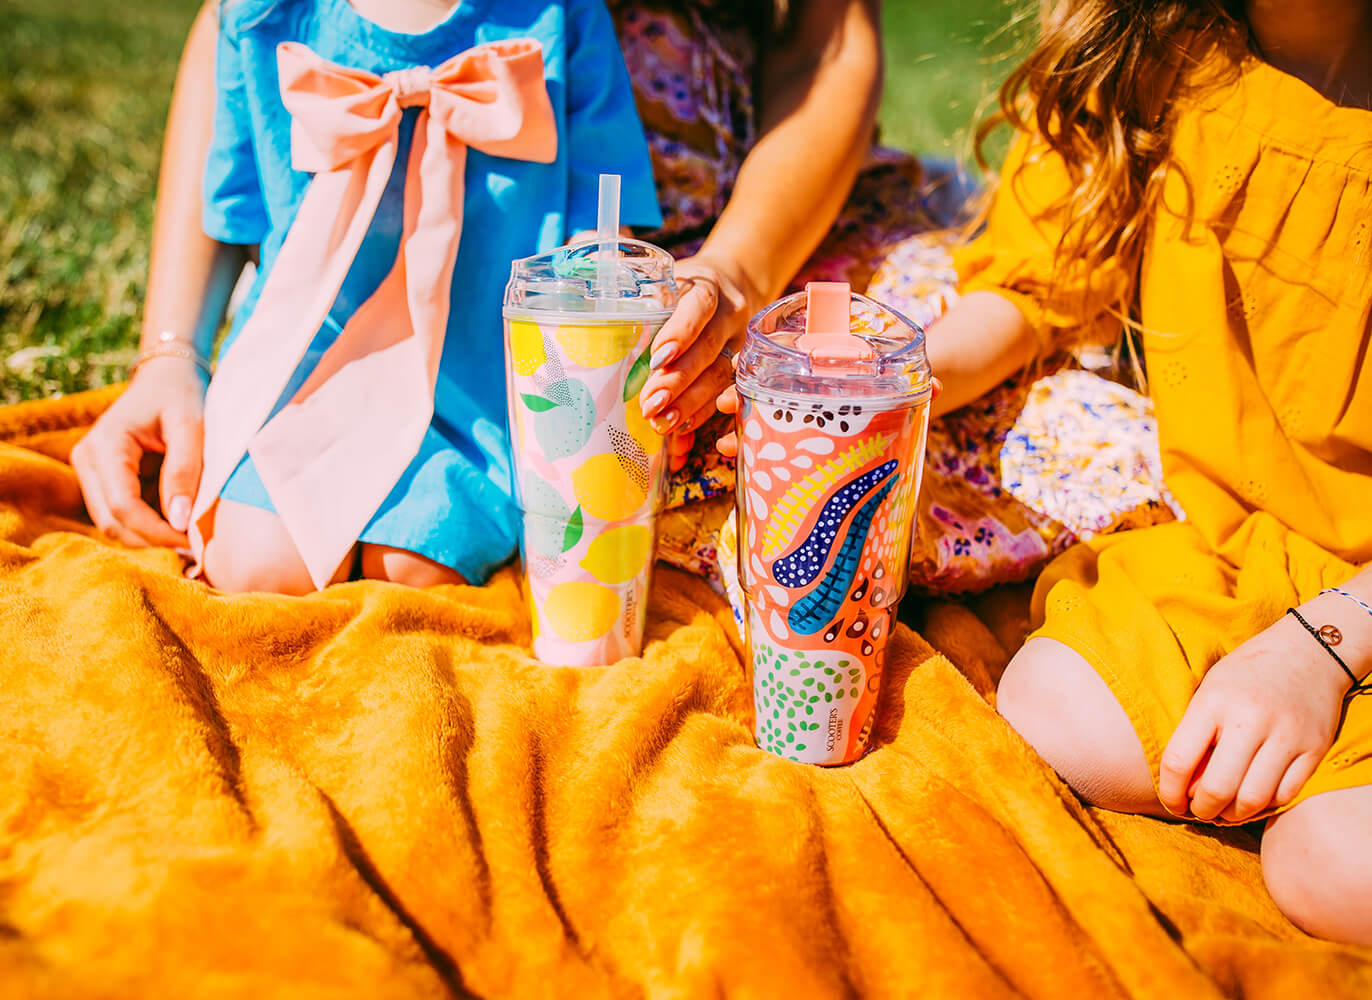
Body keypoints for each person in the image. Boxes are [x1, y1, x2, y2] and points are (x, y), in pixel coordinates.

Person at [73, 0, 905, 588]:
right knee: (253, 552)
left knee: (839, 428)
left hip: (605, 305)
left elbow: (832, 46)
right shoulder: (268, 19)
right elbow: (234, 69)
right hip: (316, 364)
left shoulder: (558, 24)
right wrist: (170, 354)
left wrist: (729, 273)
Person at [943, 0, 1370, 944]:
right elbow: (1041, 280)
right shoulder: (1164, 56)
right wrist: (891, 376)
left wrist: (1326, 649)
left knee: (1331, 867)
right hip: (1253, 552)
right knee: (1058, 711)